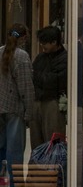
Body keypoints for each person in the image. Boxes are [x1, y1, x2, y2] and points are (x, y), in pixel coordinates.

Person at [0, 24, 34, 171]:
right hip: (15, 109)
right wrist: (29, 113)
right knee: (15, 153)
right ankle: (15, 183)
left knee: (1, 148)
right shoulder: (22, 57)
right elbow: (25, 88)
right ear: (24, 38)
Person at [30, 25, 67, 150]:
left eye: (44, 43)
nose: (42, 46)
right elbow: (32, 75)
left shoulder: (65, 59)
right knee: (36, 142)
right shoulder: (41, 57)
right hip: (37, 101)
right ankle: (37, 168)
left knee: (53, 140)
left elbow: (53, 81)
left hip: (53, 103)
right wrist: (43, 78)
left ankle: (54, 168)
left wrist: (40, 77)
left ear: (54, 42)